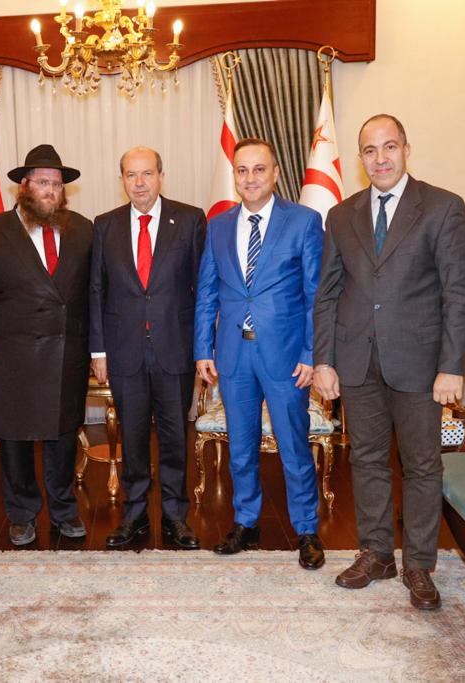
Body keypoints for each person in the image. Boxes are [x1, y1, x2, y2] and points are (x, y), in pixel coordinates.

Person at [313, 114, 465, 610]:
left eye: (389, 147)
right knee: (365, 459)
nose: (380, 158)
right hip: (357, 361)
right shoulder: (341, 215)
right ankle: (378, 553)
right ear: (360, 158)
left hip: (420, 364)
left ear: (406, 149)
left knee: (421, 465)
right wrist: (325, 360)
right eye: (370, 150)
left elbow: (458, 292)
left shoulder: (443, 207)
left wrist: (452, 366)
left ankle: (420, 564)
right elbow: (328, 294)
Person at [194, 137, 325, 569]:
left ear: (275, 173)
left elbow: (316, 295)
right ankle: (245, 522)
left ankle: (307, 529)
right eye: (242, 170)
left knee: (293, 446)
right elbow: (207, 293)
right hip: (233, 355)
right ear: (234, 175)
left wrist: (311, 352)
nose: (250, 178)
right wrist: (203, 349)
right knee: (241, 447)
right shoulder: (218, 226)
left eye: (259, 169)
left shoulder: (304, 222)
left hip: (287, 357)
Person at [0, 144, 92, 546]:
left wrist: (98, 350)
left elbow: (95, 292)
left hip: (67, 352)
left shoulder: (83, 229)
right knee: (15, 438)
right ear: (24, 186)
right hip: (11, 354)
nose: (50, 190)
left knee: (63, 436)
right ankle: (21, 513)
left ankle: (64, 509)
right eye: (42, 182)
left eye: (57, 184)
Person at [90, 146, 206, 549]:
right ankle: (134, 514)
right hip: (124, 351)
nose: (139, 183)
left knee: (175, 436)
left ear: (161, 175)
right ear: (121, 180)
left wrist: (203, 348)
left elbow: (203, 289)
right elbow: (97, 290)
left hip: (175, 347)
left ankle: (175, 516)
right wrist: (98, 352)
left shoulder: (189, 220)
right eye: (131, 175)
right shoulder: (104, 225)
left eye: (147, 174)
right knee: (133, 435)